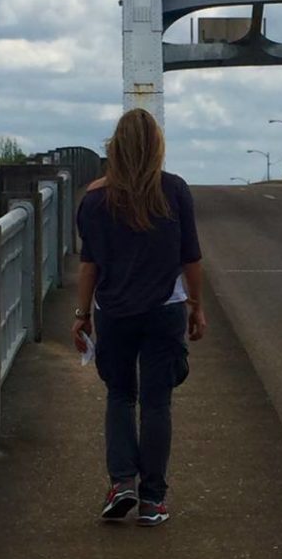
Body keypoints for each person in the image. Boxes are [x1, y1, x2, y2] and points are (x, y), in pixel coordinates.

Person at [71, 108, 207, 526]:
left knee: (119, 396)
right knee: (156, 402)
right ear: (156, 147)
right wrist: (196, 306)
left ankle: (121, 483)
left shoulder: (94, 200)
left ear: (116, 148)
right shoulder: (175, 191)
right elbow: (191, 258)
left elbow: (89, 264)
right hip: (164, 312)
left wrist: (82, 315)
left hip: (113, 313)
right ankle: (153, 500)